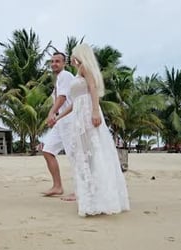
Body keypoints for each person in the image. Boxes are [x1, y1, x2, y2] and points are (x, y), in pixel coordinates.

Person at [54, 43, 130, 216]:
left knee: (93, 152)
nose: (72, 58)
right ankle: (91, 195)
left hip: (88, 112)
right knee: (85, 153)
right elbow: (74, 103)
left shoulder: (84, 68)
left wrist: (95, 111)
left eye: (73, 55)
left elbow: (93, 89)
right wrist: (58, 116)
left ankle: (98, 197)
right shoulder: (77, 72)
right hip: (79, 113)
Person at [40, 52, 75, 197]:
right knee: (48, 151)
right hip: (61, 121)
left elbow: (62, 97)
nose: (54, 63)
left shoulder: (65, 75)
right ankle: (57, 186)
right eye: (52, 61)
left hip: (71, 120)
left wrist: (51, 113)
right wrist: (55, 117)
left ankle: (80, 191)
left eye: (58, 61)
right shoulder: (59, 78)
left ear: (64, 63)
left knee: (75, 156)